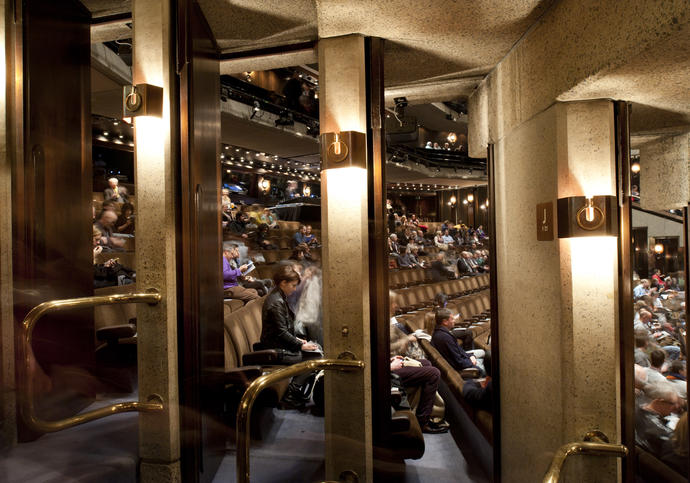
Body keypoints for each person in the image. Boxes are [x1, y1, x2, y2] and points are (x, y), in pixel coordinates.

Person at [261, 265, 320, 407]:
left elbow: (283, 328)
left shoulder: (279, 296)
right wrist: (300, 344)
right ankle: (290, 394)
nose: (294, 289)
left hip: (279, 344)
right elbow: (281, 333)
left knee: (314, 350)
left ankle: (295, 391)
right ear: (283, 283)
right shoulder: (276, 302)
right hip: (275, 349)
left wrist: (298, 340)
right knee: (315, 358)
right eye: (293, 286)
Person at [431, 308, 485, 375]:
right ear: (445, 322)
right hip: (464, 368)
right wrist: (471, 361)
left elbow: (459, 352)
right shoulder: (445, 338)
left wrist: (471, 356)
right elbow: (459, 362)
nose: (454, 321)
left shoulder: (441, 333)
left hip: (465, 360)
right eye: (452, 319)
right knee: (493, 366)